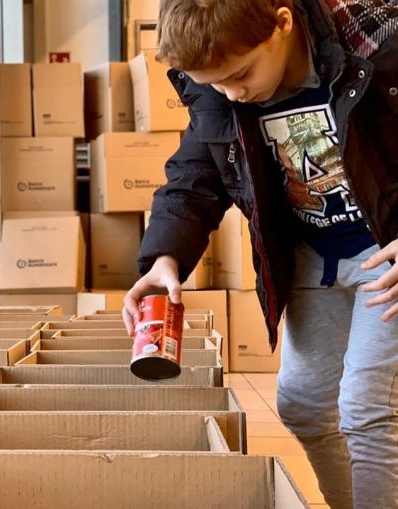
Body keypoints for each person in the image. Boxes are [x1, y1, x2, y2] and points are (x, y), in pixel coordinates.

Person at [122, 1, 398, 508]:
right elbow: (194, 177)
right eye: (216, 85)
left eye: (240, 74)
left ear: (282, 22)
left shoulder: (378, 42)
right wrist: (165, 258)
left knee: (367, 410)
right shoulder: (221, 95)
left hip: (387, 256)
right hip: (314, 257)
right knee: (305, 407)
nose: (233, 93)